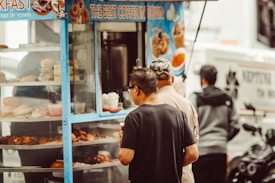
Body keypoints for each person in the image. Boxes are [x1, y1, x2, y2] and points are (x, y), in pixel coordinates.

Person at [118, 67, 199, 183]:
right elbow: (193, 154)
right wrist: (171, 166)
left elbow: (125, 158)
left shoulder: (135, 117)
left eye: (129, 89)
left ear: (136, 89)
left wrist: (123, 143)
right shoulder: (179, 115)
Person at [150, 57, 199, 183]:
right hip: (185, 176)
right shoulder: (187, 104)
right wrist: (176, 165)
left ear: (151, 82)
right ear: (172, 79)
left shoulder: (150, 106)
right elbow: (193, 150)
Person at [189, 64, 239, 183]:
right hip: (220, 151)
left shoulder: (196, 98)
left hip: (201, 152)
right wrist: (222, 139)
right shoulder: (227, 98)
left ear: (203, 79)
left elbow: (189, 124)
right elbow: (236, 126)